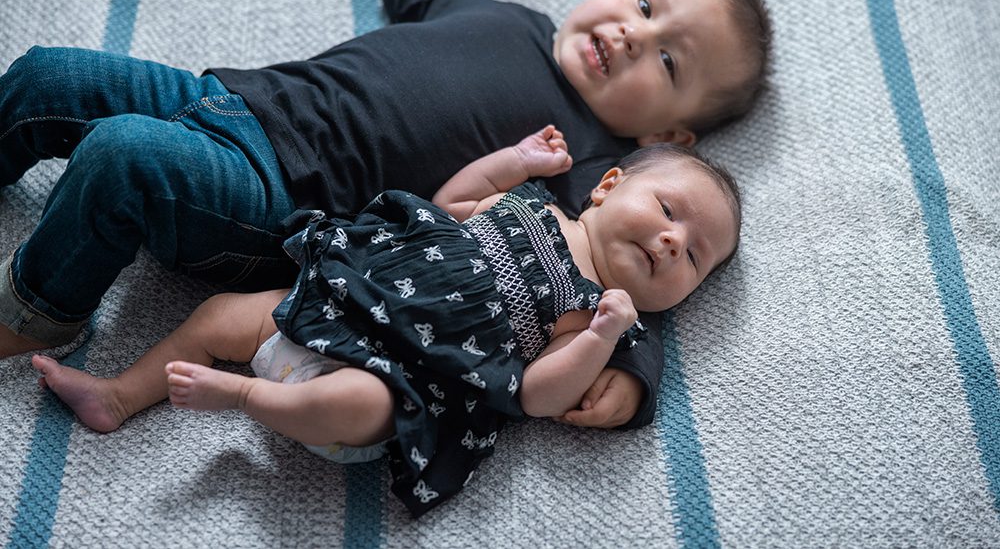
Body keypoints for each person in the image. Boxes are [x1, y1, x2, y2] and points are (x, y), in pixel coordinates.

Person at [0, 0, 771, 428]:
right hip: (242, 98)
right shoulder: (508, 16)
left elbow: (629, 274)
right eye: (644, 3)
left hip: (279, 196)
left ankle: (42, 306)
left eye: (670, 63)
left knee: (122, 155)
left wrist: (633, 376)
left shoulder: (588, 162)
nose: (636, 35)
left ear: (666, 138)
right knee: (45, 76)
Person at [30, 125, 742, 516]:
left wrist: (602, 337)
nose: (675, 242)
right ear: (608, 187)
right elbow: (449, 201)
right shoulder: (535, 203)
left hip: (399, 380)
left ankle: (245, 396)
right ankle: (119, 394)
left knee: (362, 402)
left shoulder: (596, 312)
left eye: (697, 258)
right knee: (221, 316)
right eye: (670, 211)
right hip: (344, 306)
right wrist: (512, 161)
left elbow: (535, 394)